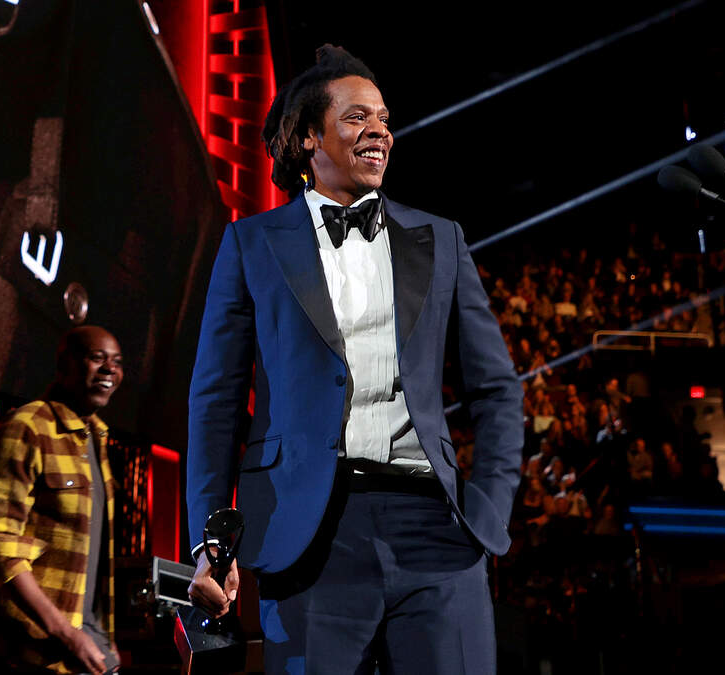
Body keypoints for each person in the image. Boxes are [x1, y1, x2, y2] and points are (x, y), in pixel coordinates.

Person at [186, 45, 523, 673]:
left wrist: (490, 507)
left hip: (439, 530)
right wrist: (211, 542)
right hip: (309, 533)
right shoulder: (252, 244)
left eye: (385, 120)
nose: (379, 132)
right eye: (357, 117)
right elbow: (215, 404)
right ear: (309, 137)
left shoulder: (441, 238)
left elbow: (497, 389)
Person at [0, 326, 124, 674]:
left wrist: (103, 640)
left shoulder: (98, 438)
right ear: (65, 364)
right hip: (30, 654)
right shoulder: (26, 427)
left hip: (90, 648)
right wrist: (66, 634)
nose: (109, 369)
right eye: (97, 358)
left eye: (117, 362)